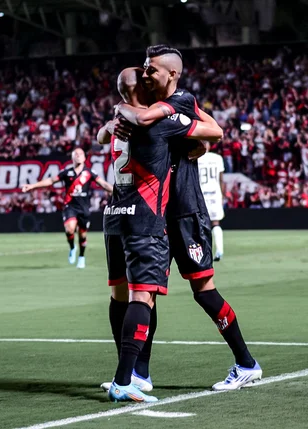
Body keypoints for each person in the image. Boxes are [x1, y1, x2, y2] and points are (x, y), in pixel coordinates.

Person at [114, 45, 262, 391]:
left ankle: (246, 363)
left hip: (186, 211)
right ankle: (141, 373)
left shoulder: (180, 101)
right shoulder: (154, 106)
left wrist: (122, 113)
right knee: (147, 293)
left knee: (204, 291)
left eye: (152, 69)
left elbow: (215, 131)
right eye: (145, 69)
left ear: (172, 74)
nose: (147, 74)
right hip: (158, 214)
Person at [97, 67, 224, 403]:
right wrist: (194, 145)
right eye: (145, 75)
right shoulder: (155, 121)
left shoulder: (116, 125)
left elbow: (100, 134)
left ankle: (133, 373)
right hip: (145, 219)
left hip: (114, 216)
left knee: (118, 296)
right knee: (143, 298)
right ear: (142, 86)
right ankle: (125, 379)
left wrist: (114, 118)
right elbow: (211, 134)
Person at [21, 148, 113, 268]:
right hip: (70, 206)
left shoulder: (89, 172)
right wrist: (32, 186)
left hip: (84, 208)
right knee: (69, 229)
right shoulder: (66, 172)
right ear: (72, 157)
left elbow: (104, 184)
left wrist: (119, 191)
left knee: (82, 236)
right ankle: (72, 247)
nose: (79, 156)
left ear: (85, 158)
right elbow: (50, 180)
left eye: (81, 154)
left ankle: (81, 257)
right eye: (76, 154)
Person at [197, 141, 226, 261]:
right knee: (216, 223)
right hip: (215, 194)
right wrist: (222, 195)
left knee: (201, 225)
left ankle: (203, 252)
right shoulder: (217, 158)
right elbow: (221, 180)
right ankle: (219, 250)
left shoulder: (195, 158)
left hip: (201, 194)